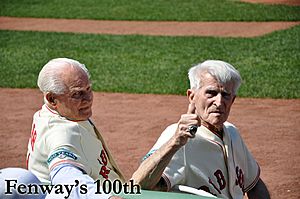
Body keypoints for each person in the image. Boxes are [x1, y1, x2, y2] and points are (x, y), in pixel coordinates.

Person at [131, 60, 270, 198]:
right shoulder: (179, 137)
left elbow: (254, 184)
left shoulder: (232, 133)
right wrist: (175, 142)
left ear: (232, 100)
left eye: (225, 95)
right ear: (192, 96)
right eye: (211, 93)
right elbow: (138, 185)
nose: (219, 102)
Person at [26, 58, 125, 199]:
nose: (88, 98)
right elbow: (66, 178)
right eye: (77, 94)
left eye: (88, 89)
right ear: (52, 99)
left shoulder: (46, 114)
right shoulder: (63, 133)